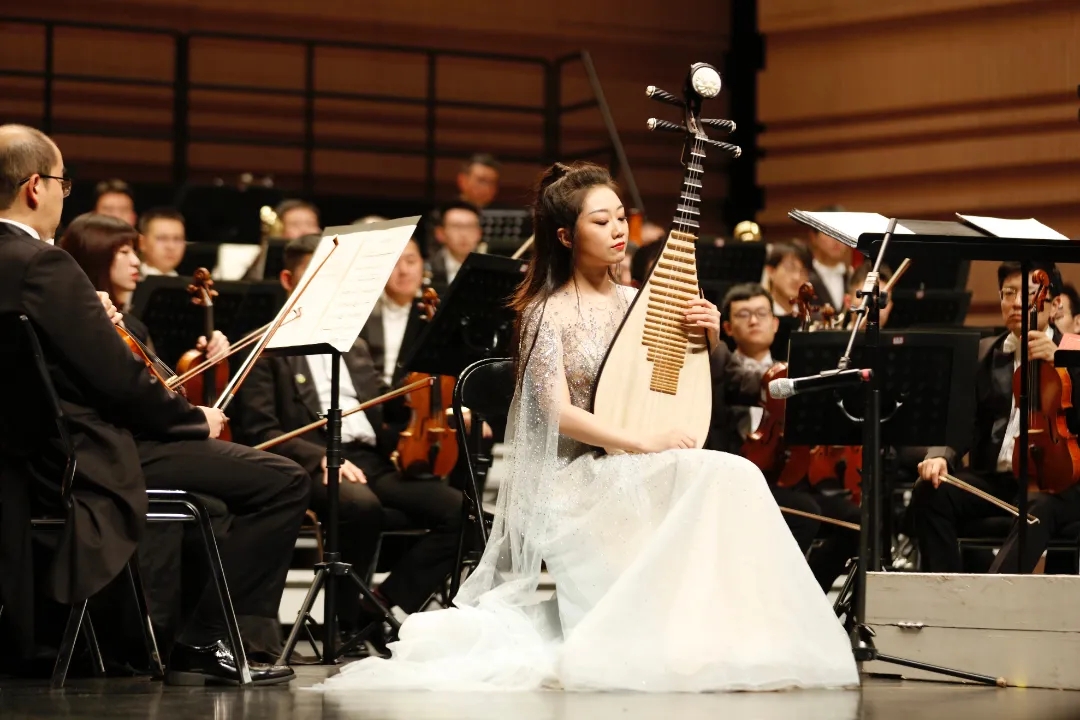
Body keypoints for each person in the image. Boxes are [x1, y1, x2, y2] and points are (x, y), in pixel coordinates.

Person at [316, 161, 858, 693]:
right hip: (574, 477)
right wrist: (642, 442)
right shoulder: (545, 312)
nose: (618, 230)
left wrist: (709, 337)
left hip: (636, 464)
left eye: (621, 217)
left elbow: (671, 384)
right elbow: (556, 411)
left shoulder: (639, 302)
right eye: (601, 221)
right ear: (565, 235)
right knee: (725, 474)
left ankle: (739, 640)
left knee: (734, 474)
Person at [0, 124, 309, 685]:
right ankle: (207, 641)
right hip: (87, 456)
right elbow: (119, 383)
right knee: (282, 481)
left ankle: (184, 635)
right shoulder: (44, 264)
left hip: (26, 459)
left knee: (217, 502)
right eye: (64, 183)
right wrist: (192, 419)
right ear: (35, 187)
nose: (65, 196)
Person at [233, 234, 463, 635]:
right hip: (312, 461)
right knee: (360, 506)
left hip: (370, 460)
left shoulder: (353, 345)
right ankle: (342, 624)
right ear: (287, 280)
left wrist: (440, 409)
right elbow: (261, 430)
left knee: (465, 514)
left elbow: (382, 415)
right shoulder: (264, 348)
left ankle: (380, 603)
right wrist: (321, 458)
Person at [912, 262, 1080, 573]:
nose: (1016, 303)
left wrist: (1062, 361)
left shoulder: (1073, 351)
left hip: (1057, 486)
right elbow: (961, 418)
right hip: (997, 481)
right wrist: (940, 455)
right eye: (1008, 293)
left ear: (1055, 304)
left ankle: (990, 597)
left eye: (1028, 294)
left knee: (1037, 508)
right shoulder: (986, 353)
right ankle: (946, 593)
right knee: (930, 492)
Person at [715, 283, 860, 588]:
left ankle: (810, 593)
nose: (754, 321)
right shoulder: (723, 373)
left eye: (761, 313)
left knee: (856, 521)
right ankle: (771, 593)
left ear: (775, 323)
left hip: (790, 476)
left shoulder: (794, 373)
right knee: (805, 513)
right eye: (743, 315)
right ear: (727, 328)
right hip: (743, 478)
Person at [58, 213, 228, 364]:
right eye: (124, 252)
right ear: (96, 256)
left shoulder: (133, 326)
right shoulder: (74, 320)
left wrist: (204, 355)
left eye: (134, 251)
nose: (136, 261)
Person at [363, 237, 429, 388]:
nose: (404, 271)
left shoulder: (431, 311)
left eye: (411, 261)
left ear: (422, 264)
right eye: (394, 263)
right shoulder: (364, 311)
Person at [427, 200, 482, 295]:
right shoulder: (427, 269)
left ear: (479, 233)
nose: (464, 234)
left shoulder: (489, 270)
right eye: (456, 226)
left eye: (470, 226)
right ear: (440, 233)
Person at [805, 206, 852, 311]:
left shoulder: (852, 277)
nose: (836, 239)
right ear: (813, 237)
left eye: (842, 232)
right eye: (829, 232)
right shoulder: (804, 277)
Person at [763, 242, 812, 317]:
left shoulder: (812, 317)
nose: (797, 277)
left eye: (803, 272)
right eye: (790, 269)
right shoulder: (760, 316)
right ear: (771, 271)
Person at [138, 207, 187, 277]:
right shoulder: (131, 282)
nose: (171, 246)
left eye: (177, 239)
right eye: (162, 238)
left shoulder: (189, 282)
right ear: (142, 243)